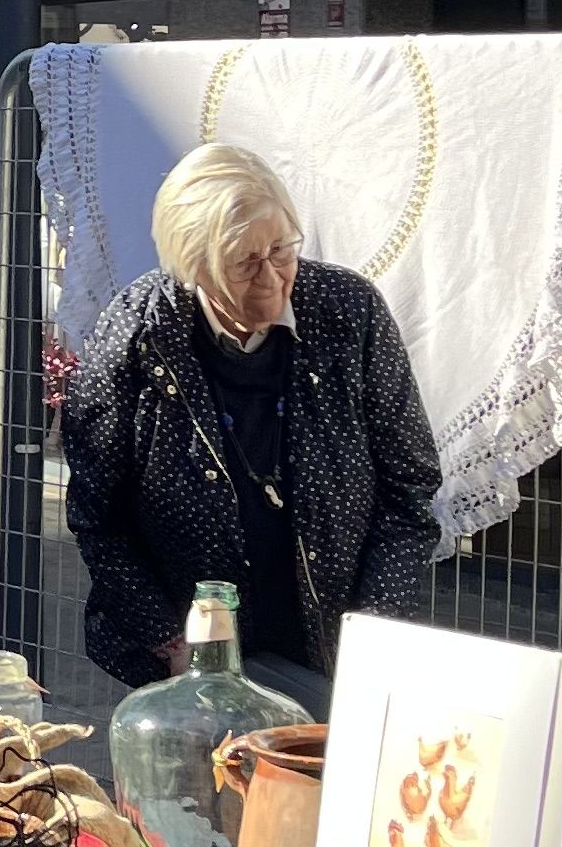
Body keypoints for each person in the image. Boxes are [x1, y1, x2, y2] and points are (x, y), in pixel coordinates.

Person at [61, 141, 441, 708]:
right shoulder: (138, 333)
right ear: (193, 266)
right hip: (193, 663)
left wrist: (372, 636)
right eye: (242, 263)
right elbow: (98, 515)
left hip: (335, 652)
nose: (271, 277)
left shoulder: (349, 312)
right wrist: (170, 638)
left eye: (282, 250)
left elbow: (409, 491)